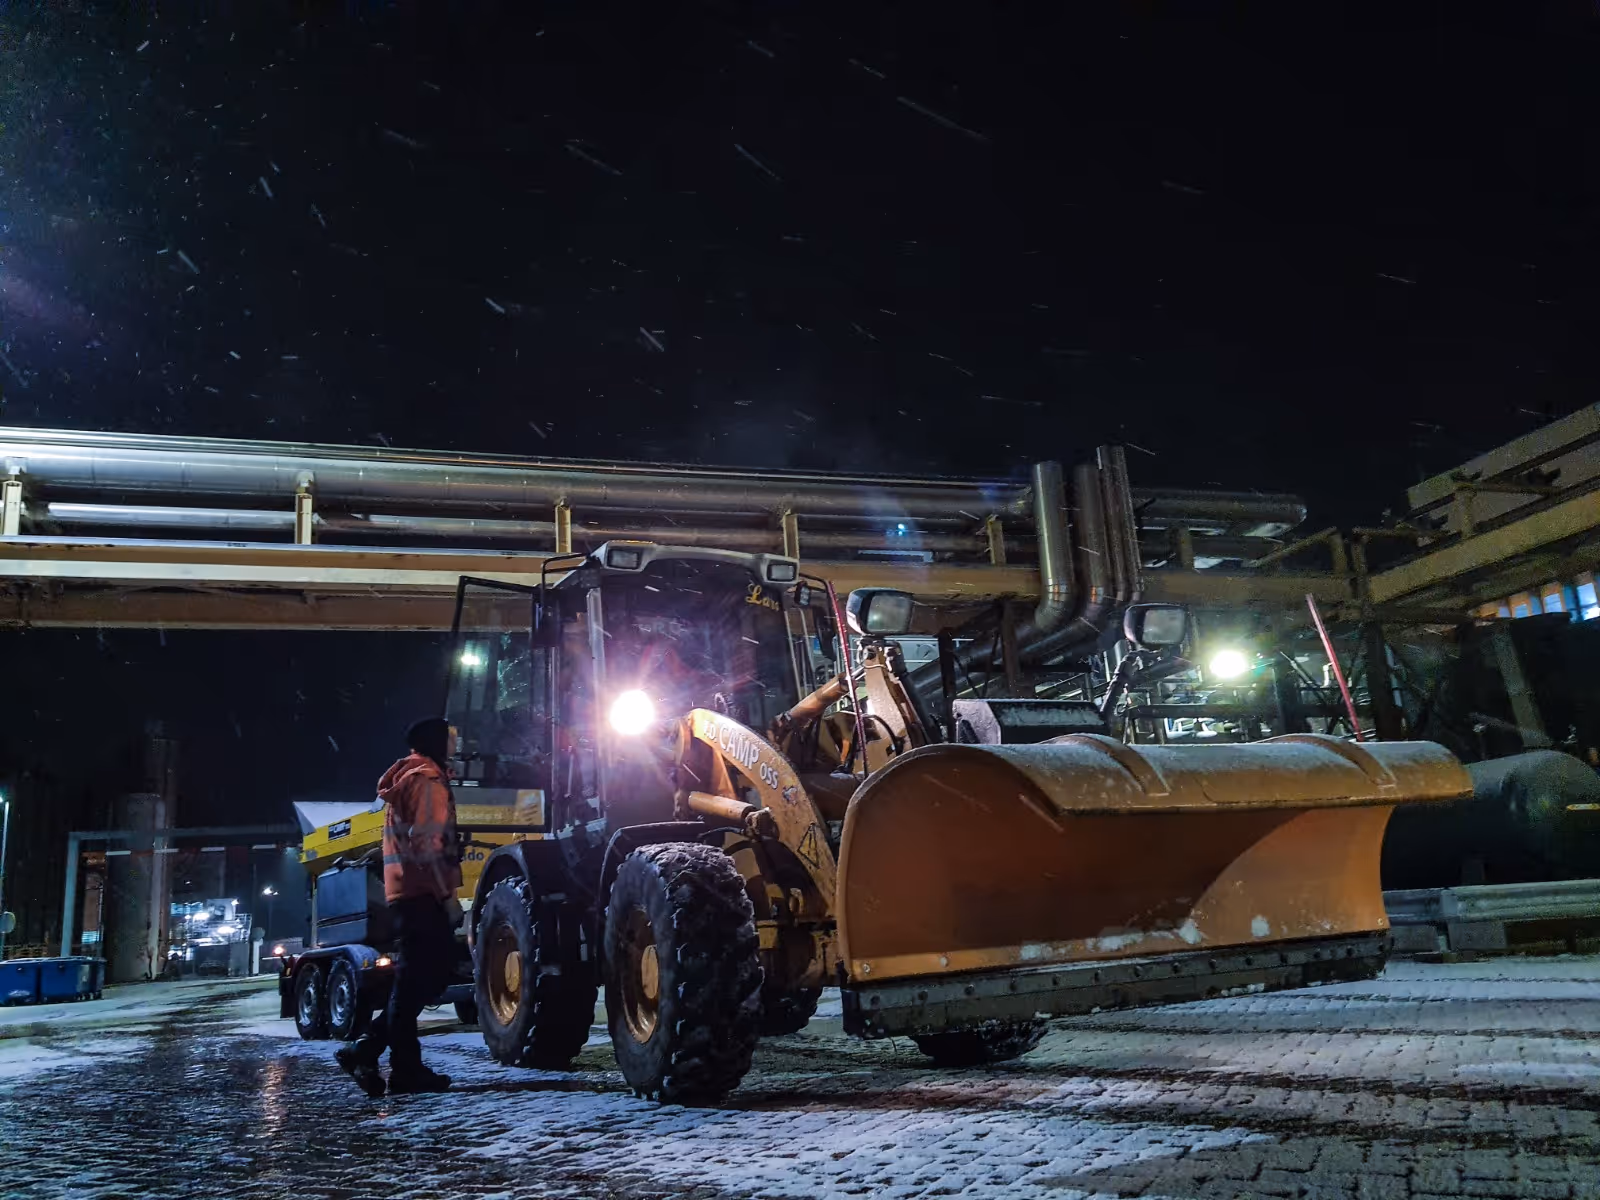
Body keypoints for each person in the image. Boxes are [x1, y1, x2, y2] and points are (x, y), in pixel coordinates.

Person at [336, 717, 462, 1097]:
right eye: (452, 737)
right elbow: (426, 846)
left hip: (409, 894)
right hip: (423, 894)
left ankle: (367, 1050)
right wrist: (447, 896)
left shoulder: (412, 778)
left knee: (422, 980)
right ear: (437, 741)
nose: (457, 743)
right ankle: (402, 1068)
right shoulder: (428, 782)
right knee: (419, 982)